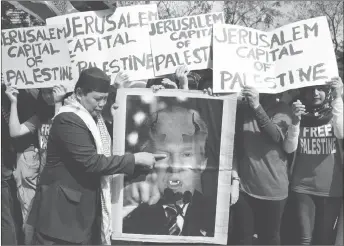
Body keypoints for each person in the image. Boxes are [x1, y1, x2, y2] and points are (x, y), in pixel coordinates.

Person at [27, 67, 162, 245]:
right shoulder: (68, 119)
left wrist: (112, 119)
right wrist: (135, 159)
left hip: (79, 219)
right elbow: (91, 162)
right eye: (98, 99)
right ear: (79, 93)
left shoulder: (91, 117)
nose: (102, 104)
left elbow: (100, 143)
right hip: (61, 222)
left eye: (105, 98)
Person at [122, 106, 216, 237]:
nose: (175, 166)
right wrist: (121, 212)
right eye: (163, 155)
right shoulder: (128, 211)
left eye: (186, 154)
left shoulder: (220, 215)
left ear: (202, 163)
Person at [229, 86, 293, 245]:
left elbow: (276, 136)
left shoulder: (283, 110)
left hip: (273, 191)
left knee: (269, 238)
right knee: (242, 237)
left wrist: (257, 106)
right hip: (245, 188)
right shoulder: (243, 109)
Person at [284, 77, 343, 245]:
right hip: (302, 187)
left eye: (320, 89)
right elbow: (289, 148)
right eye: (310, 89)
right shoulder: (297, 112)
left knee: (324, 240)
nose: (315, 93)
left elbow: (341, 132)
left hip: (332, 189)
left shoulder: (337, 111)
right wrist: (295, 121)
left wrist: (338, 97)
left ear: (328, 90)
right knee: (304, 240)